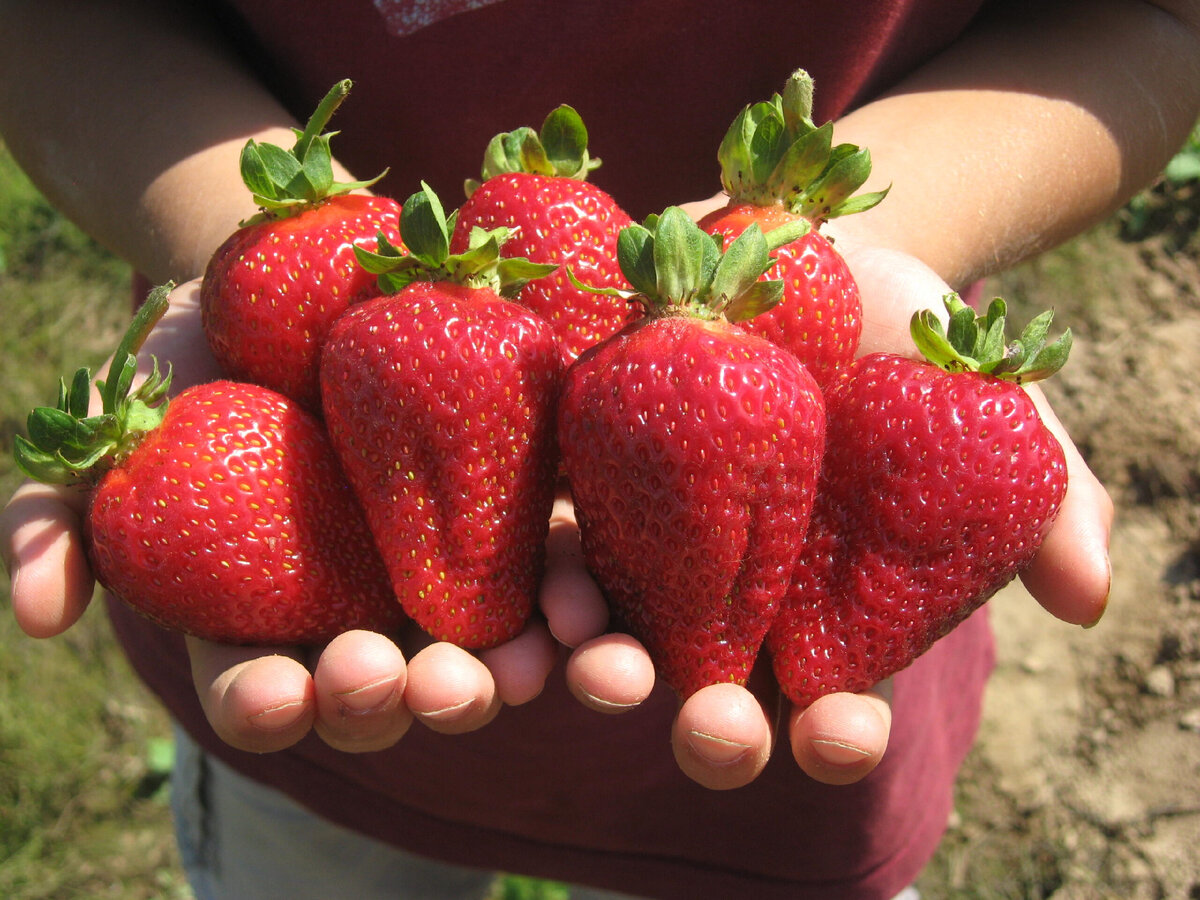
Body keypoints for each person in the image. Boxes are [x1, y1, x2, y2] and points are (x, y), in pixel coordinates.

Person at [0, 0, 1195, 897]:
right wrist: (234, 238)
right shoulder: (361, 347)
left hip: (780, 717)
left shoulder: (827, 383)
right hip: (333, 746)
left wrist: (826, 236)